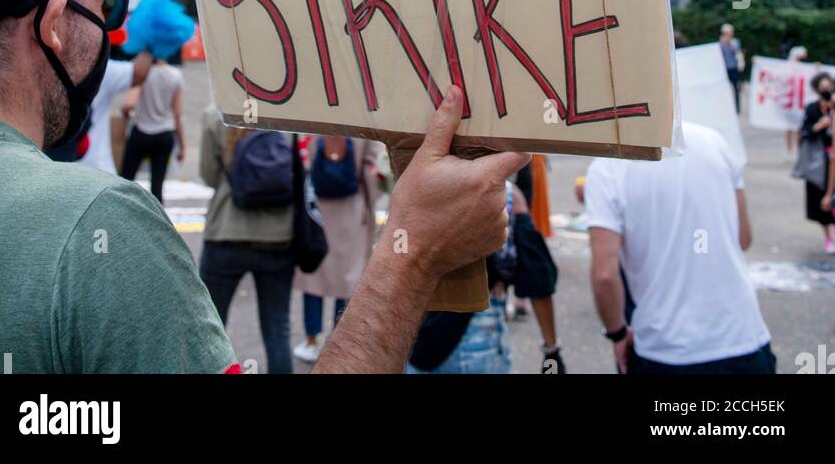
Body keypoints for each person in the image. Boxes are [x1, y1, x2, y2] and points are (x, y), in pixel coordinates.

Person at [0, 0, 527, 374]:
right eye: (107, 9)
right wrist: (413, 255)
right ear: (54, 26)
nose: (115, 32)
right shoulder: (97, 226)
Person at [586, 121, 774, 375]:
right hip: (742, 338)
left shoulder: (608, 165)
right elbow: (744, 237)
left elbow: (604, 276)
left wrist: (617, 334)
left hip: (664, 349)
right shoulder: (714, 141)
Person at [407, 180, 563, 374]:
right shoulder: (505, 196)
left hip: (417, 339)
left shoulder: (414, 187)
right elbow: (538, 279)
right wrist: (551, 349)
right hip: (478, 338)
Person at [199, 111, 297, 373]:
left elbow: (208, 174)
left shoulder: (215, 112)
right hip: (278, 236)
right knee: (277, 329)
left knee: (211, 326)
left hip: (226, 233)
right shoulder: (292, 113)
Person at [293, 134, 381, 362]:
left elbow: (300, 156)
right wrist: (370, 202)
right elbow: (374, 168)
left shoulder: (312, 111)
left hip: (316, 208)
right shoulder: (364, 116)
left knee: (314, 276)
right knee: (347, 279)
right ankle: (338, 341)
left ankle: (312, 340)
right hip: (351, 208)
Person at [120, 55, 185, 201]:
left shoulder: (143, 74)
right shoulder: (175, 75)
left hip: (141, 130)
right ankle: (157, 220)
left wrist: (125, 115)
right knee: (157, 185)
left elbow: (129, 104)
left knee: (126, 179)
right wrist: (182, 146)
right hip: (165, 133)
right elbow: (178, 115)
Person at [81, 51, 152, 173]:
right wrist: (151, 42)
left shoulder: (101, 68)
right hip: (96, 167)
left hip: (62, 168)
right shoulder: (101, 67)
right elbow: (138, 73)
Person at [800, 72, 834, 253]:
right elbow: (804, 132)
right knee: (821, 200)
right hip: (818, 163)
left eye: (829, 87)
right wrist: (818, 126)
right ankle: (827, 236)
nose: (826, 91)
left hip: (832, 161)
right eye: (823, 88)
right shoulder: (812, 109)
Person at [718, 23, 745, 112]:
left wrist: (728, 43)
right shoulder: (720, 42)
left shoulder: (735, 42)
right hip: (724, 68)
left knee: (736, 87)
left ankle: (737, 108)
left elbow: (737, 51)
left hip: (733, 67)